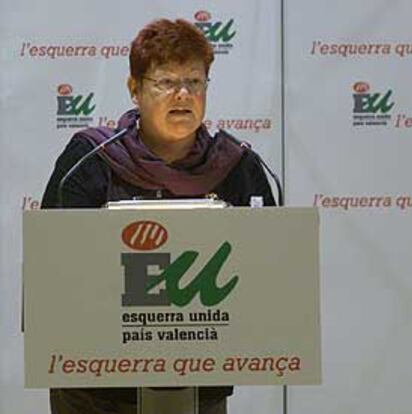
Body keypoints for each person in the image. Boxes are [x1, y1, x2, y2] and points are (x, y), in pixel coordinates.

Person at [42, 18, 276, 414]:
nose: (183, 94)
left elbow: (270, 268)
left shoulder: (238, 165)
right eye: (166, 82)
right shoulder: (91, 159)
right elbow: (53, 267)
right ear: (135, 89)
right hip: (95, 387)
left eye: (195, 82)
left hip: (199, 382)